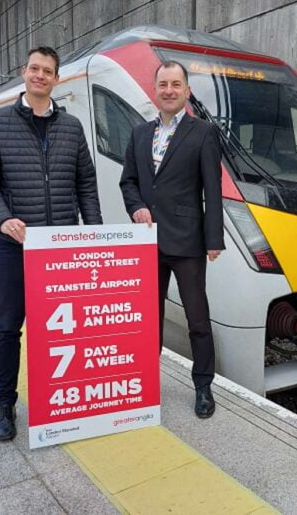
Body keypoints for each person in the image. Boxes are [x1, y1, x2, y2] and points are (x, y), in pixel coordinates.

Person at [0, 46, 102, 441]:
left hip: (62, 247)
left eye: (48, 71)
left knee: (64, 330)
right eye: (34, 69)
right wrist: (2, 218)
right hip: (18, 245)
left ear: (57, 78)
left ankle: (64, 399)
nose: (40, 75)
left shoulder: (73, 127)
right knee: (10, 325)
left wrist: (93, 234)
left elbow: (86, 185)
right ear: (23, 72)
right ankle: (5, 403)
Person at [120, 61, 224, 418]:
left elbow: (213, 189)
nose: (168, 90)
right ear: (155, 89)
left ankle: (203, 386)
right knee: (149, 317)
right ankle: (147, 380)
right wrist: (135, 208)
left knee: (198, 317)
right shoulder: (139, 133)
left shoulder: (204, 133)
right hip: (147, 239)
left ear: (186, 91)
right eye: (163, 84)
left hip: (188, 242)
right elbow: (128, 182)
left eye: (175, 84)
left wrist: (214, 239)